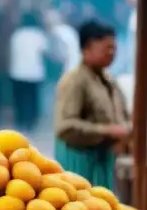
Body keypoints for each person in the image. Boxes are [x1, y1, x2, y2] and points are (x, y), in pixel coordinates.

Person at [54, 20, 130, 189]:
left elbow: (124, 114)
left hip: (103, 160)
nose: (111, 53)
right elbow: (64, 126)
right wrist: (108, 130)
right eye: (106, 49)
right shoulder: (74, 80)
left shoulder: (109, 80)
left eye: (114, 49)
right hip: (78, 160)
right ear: (86, 48)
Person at [7, 10, 50, 132]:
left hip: (17, 71)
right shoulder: (39, 35)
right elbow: (45, 51)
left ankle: (20, 120)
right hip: (34, 72)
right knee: (32, 98)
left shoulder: (16, 35)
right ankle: (31, 122)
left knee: (19, 98)